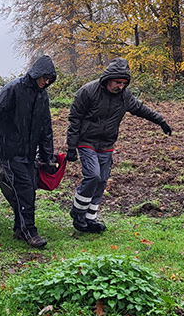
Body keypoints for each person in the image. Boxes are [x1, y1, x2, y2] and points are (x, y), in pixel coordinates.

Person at [66, 58, 172, 233]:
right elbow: (75, 118)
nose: (120, 86)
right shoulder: (87, 92)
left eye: (124, 83)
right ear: (108, 79)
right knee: (93, 176)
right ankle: (78, 212)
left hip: (107, 142)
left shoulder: (125, 96)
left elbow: (141, 109)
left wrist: (161, 121)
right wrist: (71, 147)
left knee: (101, 181)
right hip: (87, 141)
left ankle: (90, 219)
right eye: (118, 82)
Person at [0, 55, 57, 248]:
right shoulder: (13, 89)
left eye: (49, 79)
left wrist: (48, 158)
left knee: (29, 189)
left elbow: (46, 128)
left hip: (29, 153)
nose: (46, 82)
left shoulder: (41, 95)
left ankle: (20, 229)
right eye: (44, 78)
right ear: (35, 73)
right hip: (9, 150)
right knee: (25, 190)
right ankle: (30, 232)